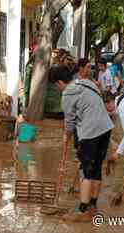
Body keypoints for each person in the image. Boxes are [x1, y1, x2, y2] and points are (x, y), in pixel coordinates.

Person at [50, 64, 114, 222]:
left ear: (59, 82)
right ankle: (93, 205)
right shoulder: (88, 83)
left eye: (56, 85)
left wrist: (66, 136)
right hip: (106, 128)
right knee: (96, 168)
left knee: (85, 170)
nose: (57, 88)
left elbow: (70, 122)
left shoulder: (67, 95)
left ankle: (82, 209)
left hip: (90, 132)